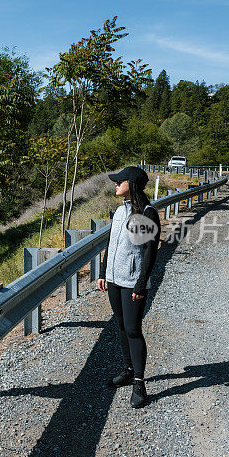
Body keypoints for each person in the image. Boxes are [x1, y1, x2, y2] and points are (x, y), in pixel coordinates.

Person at [96, 166, 161, 408]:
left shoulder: (145, 213)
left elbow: (149, 252)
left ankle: (139, 384)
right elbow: (110, 243)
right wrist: (104, 273)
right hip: (114, 279)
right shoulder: (120, 211)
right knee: (121, 325)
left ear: (131, 184)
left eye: (119, 181)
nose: (115, 184)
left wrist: (141, 284)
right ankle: (128, 369)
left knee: (133, 329)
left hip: (133, 282)